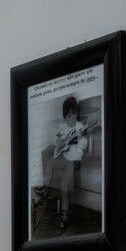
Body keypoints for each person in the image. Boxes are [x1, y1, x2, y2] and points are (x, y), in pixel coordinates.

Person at [47, 95, 89, 232]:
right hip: (64, 156)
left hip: (74, 160)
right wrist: (58, 142)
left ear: (77, 114)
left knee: (64, 184)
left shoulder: (80, 127)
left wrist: (81, 138)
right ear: (65, 117)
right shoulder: (63, 127)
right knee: (50, 162)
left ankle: (65, 217)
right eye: (69, 116)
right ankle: (45, 189)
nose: (72, 118)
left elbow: (84, 146)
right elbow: (56, 139)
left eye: (74, 115)